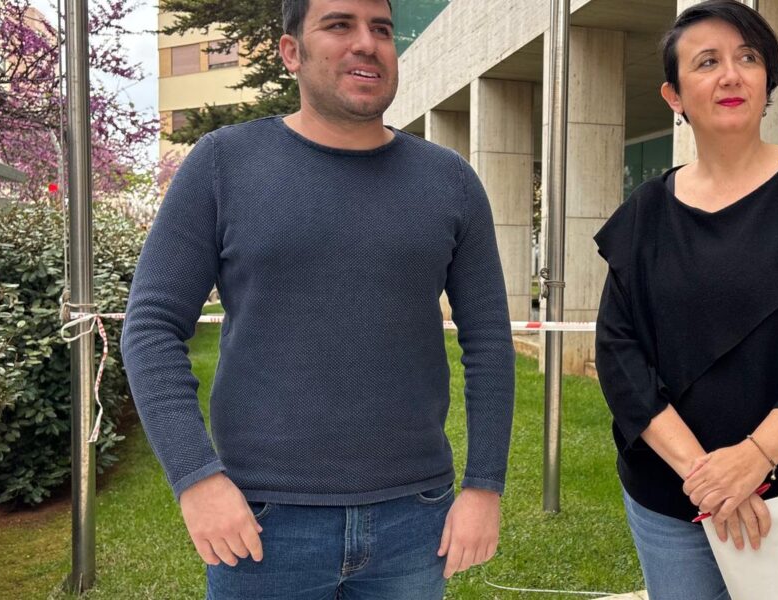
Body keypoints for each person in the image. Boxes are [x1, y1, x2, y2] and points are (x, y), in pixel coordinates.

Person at [120, 0, 515, 597]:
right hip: (261, 522)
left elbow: (488, 341)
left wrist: (484, 485)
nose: (367, 43)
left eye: (381, 29)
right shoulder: (224, 165)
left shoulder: (449, 180)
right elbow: (151, 325)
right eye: (338, 25)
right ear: (291, 52)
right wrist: (196, 478)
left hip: (415, 518)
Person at [593, 1, 778, 599]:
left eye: (748, 58)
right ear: (673, 95)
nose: (731, 75)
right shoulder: (645, 214)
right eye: (707, 62)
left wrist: (754, 458)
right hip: (673, 499)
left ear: (767, 79)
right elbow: (620, 356)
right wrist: (707, 477)